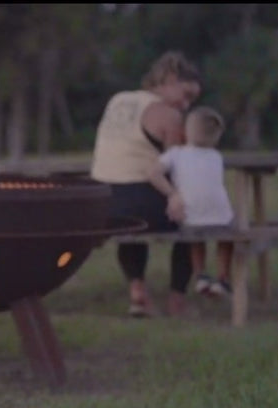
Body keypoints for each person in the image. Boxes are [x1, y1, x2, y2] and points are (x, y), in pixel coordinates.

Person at [89, 50, 201, 317]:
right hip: (140, 202)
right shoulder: (169, 115)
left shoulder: (118, 100)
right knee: (193, 217)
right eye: (186, 95)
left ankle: (137, 291)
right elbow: (179, 167)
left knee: (130, 221)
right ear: (170, 79)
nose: (186, 105)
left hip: (103, 203)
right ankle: (177, 300)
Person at [148, 105, 234, 298]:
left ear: (185, 132)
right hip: (221, 214)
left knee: (195, 237)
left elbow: (153, 173)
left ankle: (201, 275)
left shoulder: (176, 154)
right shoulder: (216, 157)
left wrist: (172, 193)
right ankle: (223, 277)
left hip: (190, 214)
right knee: (227, 237)